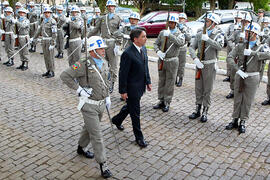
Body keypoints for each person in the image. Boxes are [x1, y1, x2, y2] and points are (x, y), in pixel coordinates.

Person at [60, 36, 112, 178]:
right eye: (101, 49)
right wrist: (79, 89)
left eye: (103, 48)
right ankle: (103, 164)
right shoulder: (83, 63)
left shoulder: (104, 62)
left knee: (89, 128)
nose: (103, 51)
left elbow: (107, 80)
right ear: (93, 50)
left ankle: (81, 147)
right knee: (97, 135)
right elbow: (65, 76)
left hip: (101, 104)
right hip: (89, 105)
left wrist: (107, 96)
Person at [225, 22, 270, 134]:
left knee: (247, 100)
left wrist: (253, 53)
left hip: (253, 75)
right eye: (246, 32)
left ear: (255, 34)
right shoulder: (240, 45)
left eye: (249, 32)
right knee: (237, 98)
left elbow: (268, 55)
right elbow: (230, 57)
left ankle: (243, 121)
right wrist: (237, 69)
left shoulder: (261, 46)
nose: (246, 34)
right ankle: (234, 119)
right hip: (240, 74)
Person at [111, 28, 152, 148]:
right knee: (135, 113)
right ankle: (139, 137)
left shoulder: (143, 49)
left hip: (140, 86)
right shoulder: (128, 54)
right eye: (143, 36)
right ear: (135, 39)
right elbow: (123, 73)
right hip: (131, 88)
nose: (146, 38)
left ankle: (117, 120)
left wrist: (148, 81)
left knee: (130, 107)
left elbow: (145, 66)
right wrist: (122, 91)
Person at [188, 13, 224, 123]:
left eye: (208, 21)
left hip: (210, 64)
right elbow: (191, 47)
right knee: (198, 88)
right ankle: (197, 108)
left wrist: (208, 39)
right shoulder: (199, 33)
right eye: (205, 21)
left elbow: (220, 46)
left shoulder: (218, 34)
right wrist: (195, 59)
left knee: (207, 89)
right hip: (200, 64)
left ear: (214, 23)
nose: (205, 23)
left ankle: (205, 110)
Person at [87, 0, 122, 93]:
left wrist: (118, 45)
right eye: (109, 6)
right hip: (103, 43)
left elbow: (120, 33)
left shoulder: (118, 18)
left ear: (115, 7)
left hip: (113, 43)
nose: (110, 8)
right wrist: (87, 37)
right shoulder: (103, 18)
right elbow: (96, 29)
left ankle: (111, 84)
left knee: (113, 66)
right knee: (102, 64)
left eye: (112, 6)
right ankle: (103, 82)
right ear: (107, 7)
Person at [153, 14, 185, 112]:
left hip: (172, 60)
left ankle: (167, 102)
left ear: (176, 24)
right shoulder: (162, 32)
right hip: (162, 59)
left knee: (170, 82)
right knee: (161, 80)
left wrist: (170, 35)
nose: (169, 24)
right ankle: (161, 100)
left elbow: (180, 43)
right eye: (168, 22)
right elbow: (155, 44)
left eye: (172, 23)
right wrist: (158, 51)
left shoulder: (179, 33)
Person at [31, 7, 57, 78]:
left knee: (50, 57)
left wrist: (53, 43)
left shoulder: (53, 21)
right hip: (44, 40)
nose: (47, 14)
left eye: (48, 13)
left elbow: (54, 34)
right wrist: (34, 38)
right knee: (46, 56)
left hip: (49, 40)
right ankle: (48, 70)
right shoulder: (43, 21)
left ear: (50, 13)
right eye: (45, 13)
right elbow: (39, 30)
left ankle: (52, 71)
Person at [225, 12, 245, 99]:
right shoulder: (237, 32)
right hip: (237, 55)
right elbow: (229, 39)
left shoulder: (253, 33)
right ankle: (232, 90)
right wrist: (233, 47)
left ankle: (243, 91)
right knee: (233, 73)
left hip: (246, 57)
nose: (245, 24)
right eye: (244, 22)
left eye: (247, 22)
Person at [223, 12, 243, 83]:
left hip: (238, 47)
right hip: (230, 45)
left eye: (239, 18)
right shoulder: (231, 25)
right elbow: (226, 33)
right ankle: (229, 75)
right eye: (237, 18)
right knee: (229, 60)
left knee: (236, 61)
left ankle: (235, 75)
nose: (238, 19)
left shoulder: (242, 27)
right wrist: (228, 40)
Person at [176, 12, 192, 87]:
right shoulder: (175, 26)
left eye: (182, 19)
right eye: (179, 18)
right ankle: (174, 77)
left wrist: (183, 29)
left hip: (182, 48)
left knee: (181, 65)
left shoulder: (187, 28)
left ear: (185, 20)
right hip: (175, 48)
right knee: (174, 63)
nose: (180, 20)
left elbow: (189, 38)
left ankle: (180, 78)